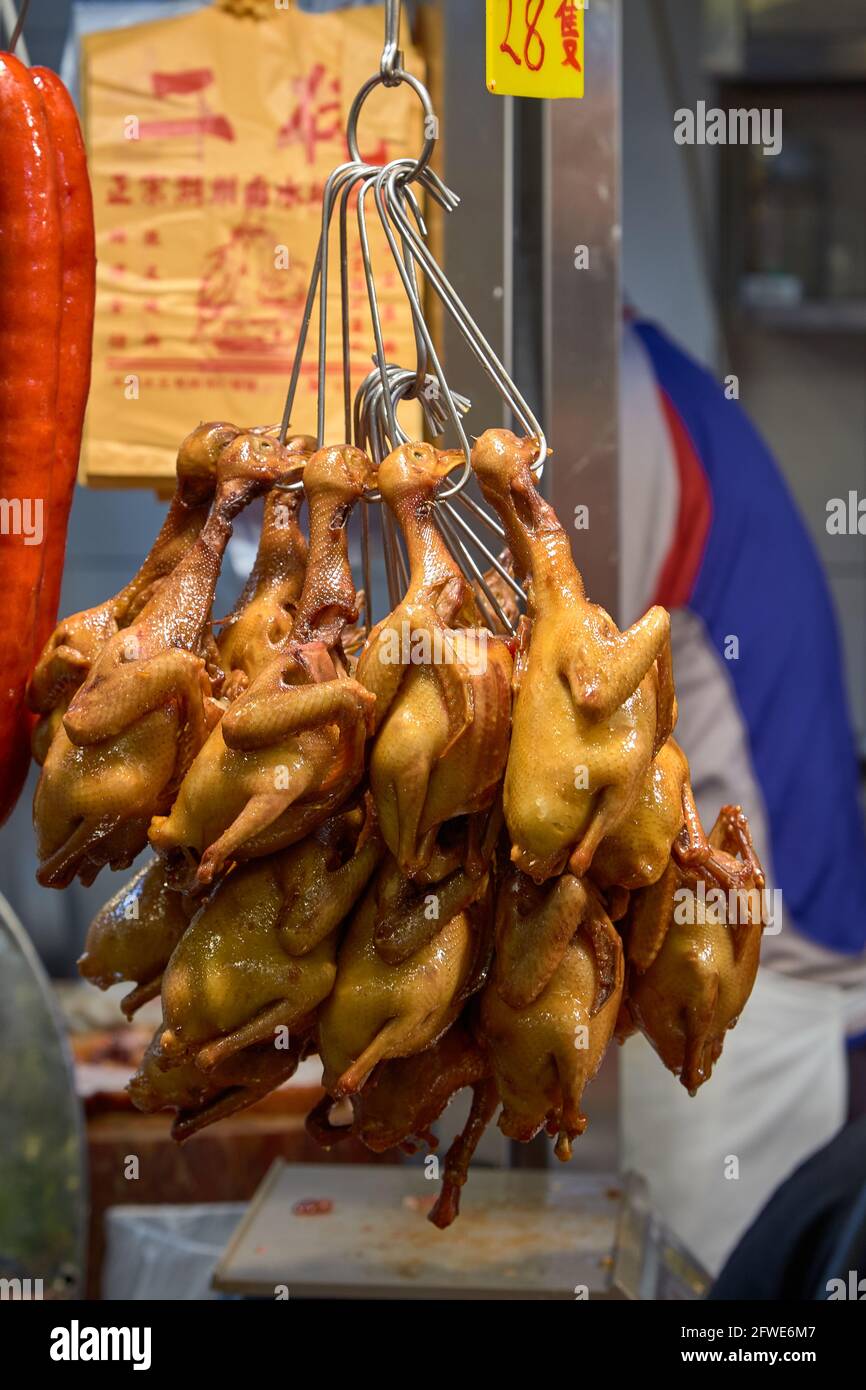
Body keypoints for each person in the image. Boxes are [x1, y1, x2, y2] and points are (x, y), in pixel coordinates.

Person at [618, 313, 866, 1275]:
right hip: (735, 954)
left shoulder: (626, 407)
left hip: (752, 982)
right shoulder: (649, 382)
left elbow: (564, 693)